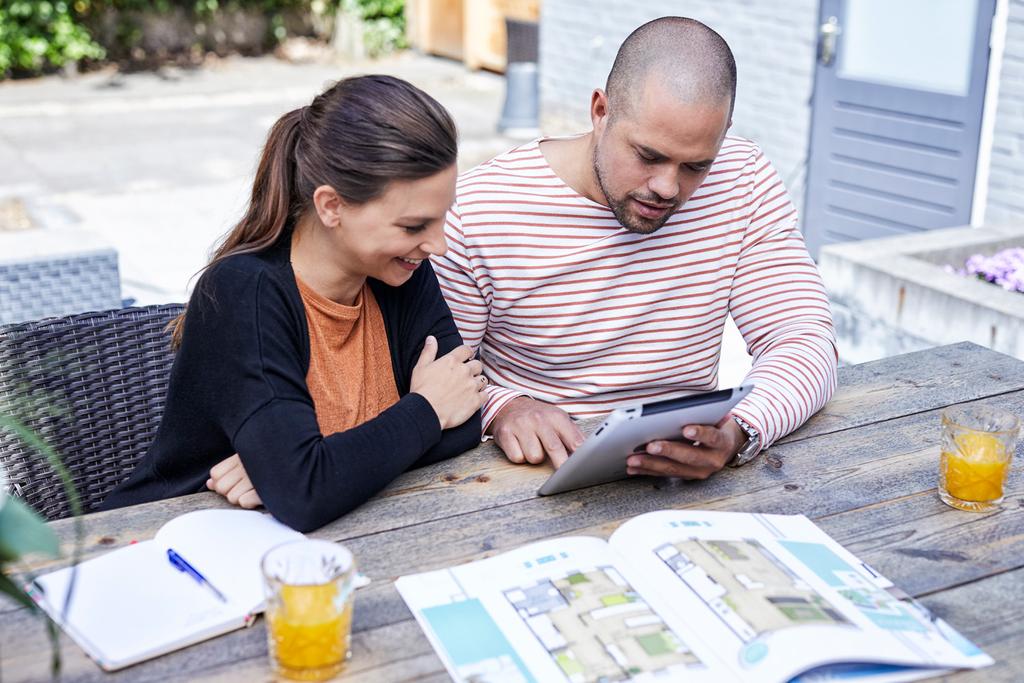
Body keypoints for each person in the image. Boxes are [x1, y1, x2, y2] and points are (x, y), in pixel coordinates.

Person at [433, 17, 837, 479]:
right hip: (529, 473)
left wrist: (737, 431)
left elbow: (804, 339)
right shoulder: (479, 210)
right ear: (600, 110)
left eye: (695, 166)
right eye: (648, 156)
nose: (667, 187)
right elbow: (440, 379)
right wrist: (507, 408)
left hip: (687, 481)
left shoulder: (740, 178)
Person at [101, 75, 485, 532]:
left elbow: (463, 419)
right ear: (331, 206)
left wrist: (310, 462)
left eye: (442, 218)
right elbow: (306, 494)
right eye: (413, 225)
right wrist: (422, 411)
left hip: (332, 537)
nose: (437, 245)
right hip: (172, 538)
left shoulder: (401, 273)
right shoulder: (244, 293)